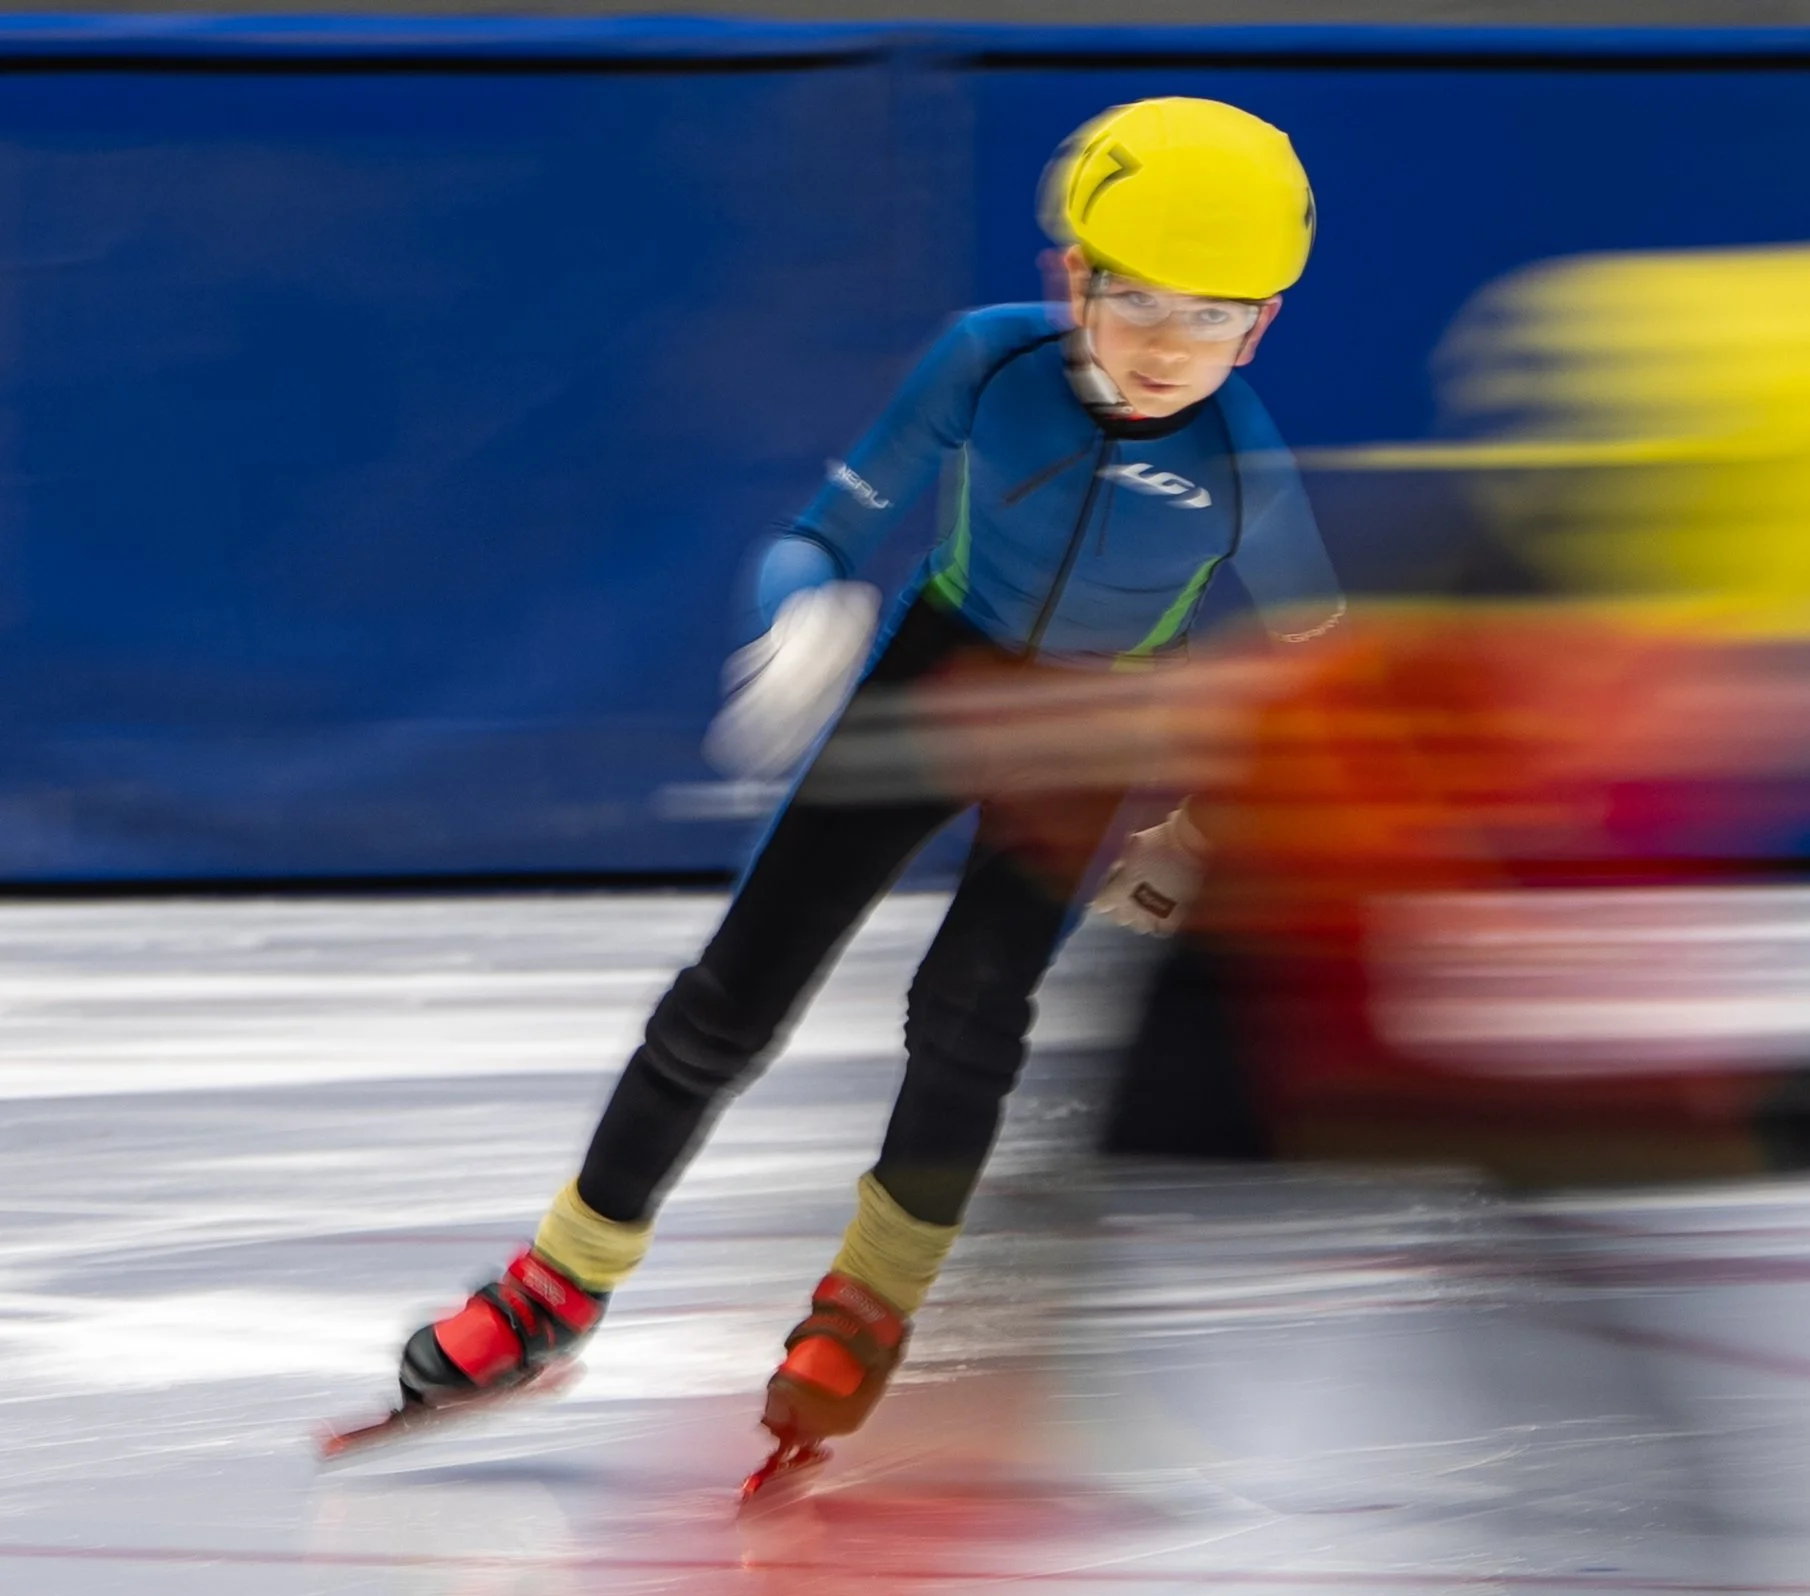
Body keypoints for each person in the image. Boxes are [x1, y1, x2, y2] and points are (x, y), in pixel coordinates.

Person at [382, 97, 1344, 1462]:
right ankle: (558, 1281)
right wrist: (804, 604)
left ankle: (871, 1306)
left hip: (1094, 729)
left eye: (1216, 316)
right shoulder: (982, 365)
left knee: (970, 1009)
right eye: (1137, 300)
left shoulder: (1242, 456)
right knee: (736, 990)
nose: (1167, 348)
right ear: (1070, 277)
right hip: (938, 675)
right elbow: (825, 527)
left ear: (1264, 327)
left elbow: (1322, 677)